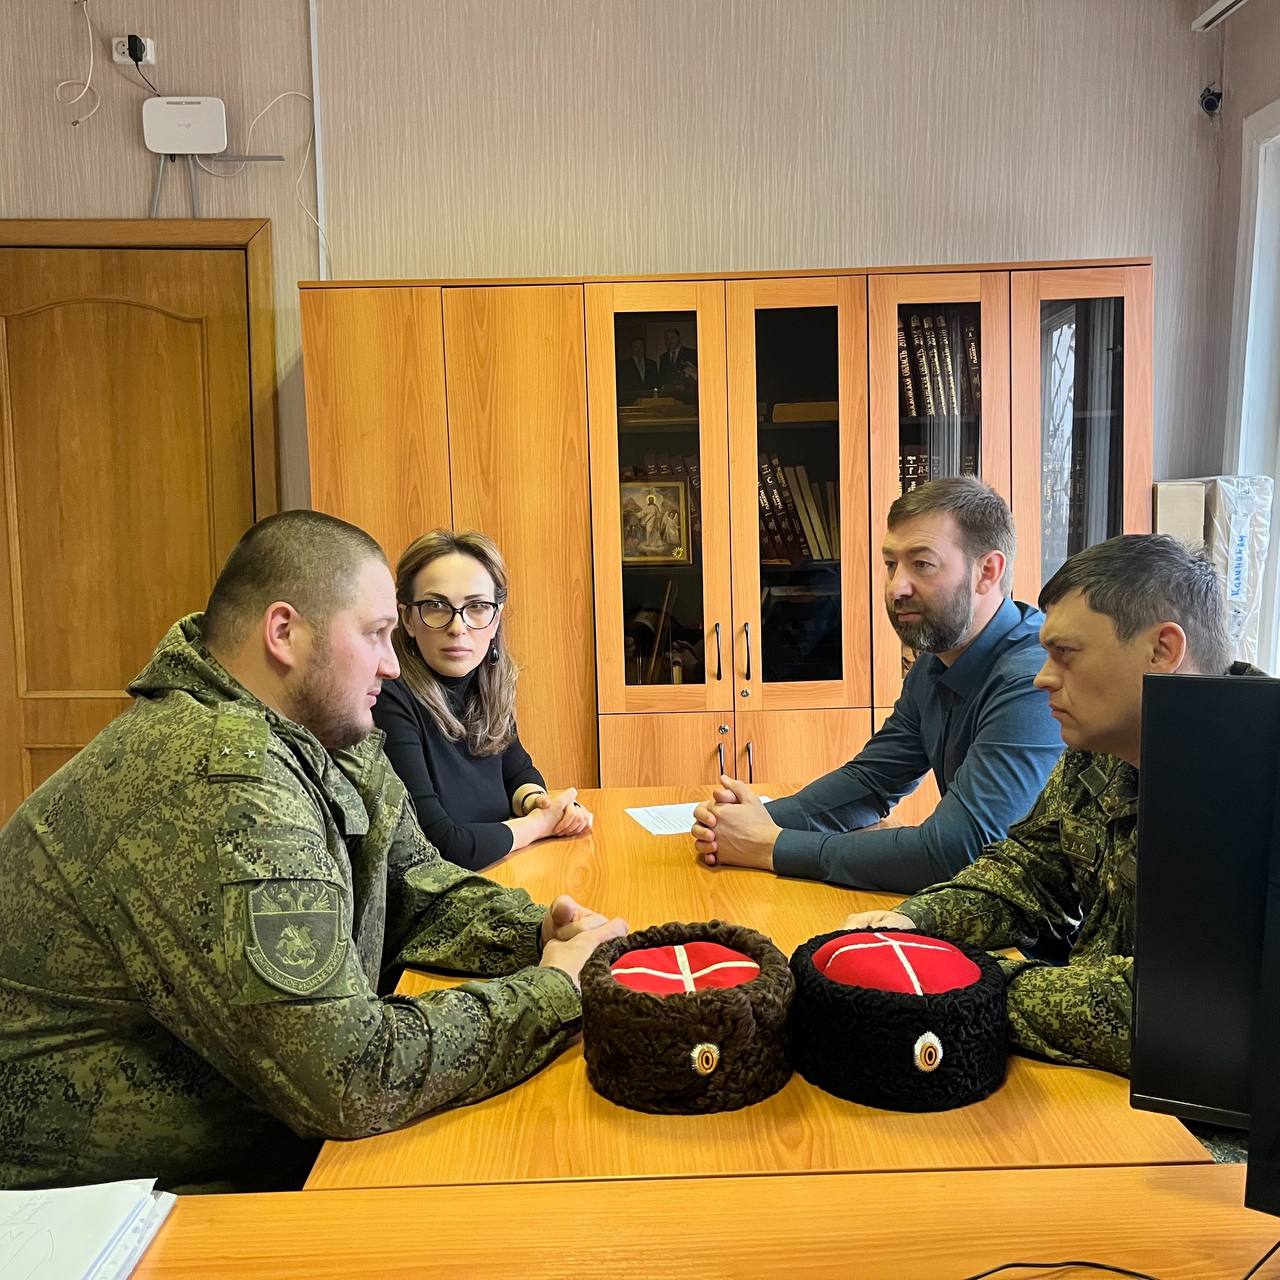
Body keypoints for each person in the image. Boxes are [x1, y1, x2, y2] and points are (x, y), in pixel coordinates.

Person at [0, 511, 625, 1193]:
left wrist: (537, 934)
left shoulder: (320, 731)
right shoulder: (219, 776)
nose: (393, 663)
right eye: (376, 634)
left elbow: (413, 885)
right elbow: (348, 1074)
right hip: (109, 1205)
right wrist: (553, 991)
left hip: (247, 1145)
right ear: (284, 633)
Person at [842, 534, 1265, 1075]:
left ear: (1162, 651)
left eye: (1065, 654)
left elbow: (1168, 1010)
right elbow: (1028, 871)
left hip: (1197, 1118)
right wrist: (912, 924)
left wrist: (958, 980)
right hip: (1108, 1084)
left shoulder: (1253, 791)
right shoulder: (1104, 751)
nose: (1043, 677)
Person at [692, 477, 1063, 893]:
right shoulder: (936, 660)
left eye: (922, 564)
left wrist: (772, 846)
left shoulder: (1033, 680)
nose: (896, 587)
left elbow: (958, 851)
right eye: (891, 564)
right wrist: (746, 821)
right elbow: (872, 781)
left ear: (987, 572)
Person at [373, 529, 594, 872]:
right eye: (436, 606)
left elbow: (517, 772)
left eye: (477, 607)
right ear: (408, 619)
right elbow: (441, 844)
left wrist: (540, 803)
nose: (457, 627)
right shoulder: (387, 697)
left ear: (495, 619)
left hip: (498, 874)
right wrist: (541, 825)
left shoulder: (486, 684)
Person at [617, 336, 658, 403]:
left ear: (644, 348)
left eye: (641, 346)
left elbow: (655, 383)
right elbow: (623, 386)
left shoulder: (652, 364)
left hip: (649, 400)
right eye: (636, 347)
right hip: (631, 401)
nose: (639, 349)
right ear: (632, 349)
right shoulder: (624, 365)